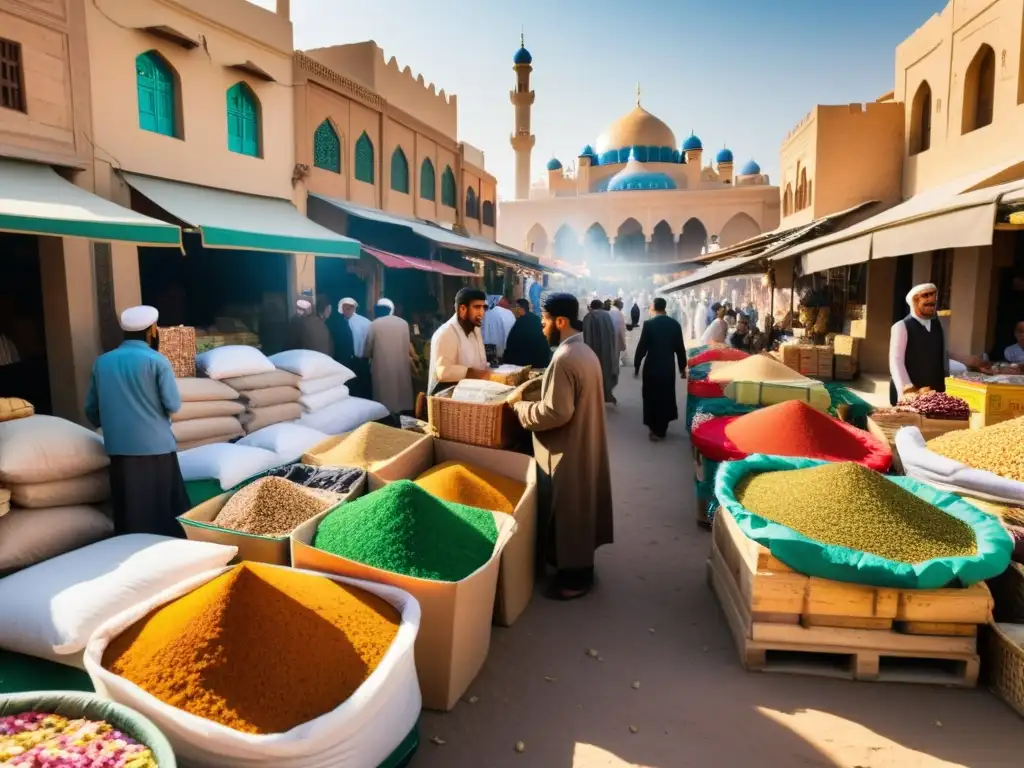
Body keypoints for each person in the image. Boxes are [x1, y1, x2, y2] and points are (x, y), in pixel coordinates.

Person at [508, 293, 613, 600]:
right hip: (584, 440)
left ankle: (575, 579)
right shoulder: (583, 351)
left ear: (560, 321)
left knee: (569, 510)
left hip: (569, 447)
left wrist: (521, 410)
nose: (542, 328)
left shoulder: (566, 357)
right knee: (578, 509)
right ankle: (576, 567)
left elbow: (557, 411)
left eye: (544, 321)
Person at [84, 306, 189, 537]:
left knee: (130, 512)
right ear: (152, 330)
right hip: (157, 449)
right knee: (163, 514)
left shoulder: (102, 362)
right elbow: (173, 404)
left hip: (119, 451)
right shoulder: (157, 361)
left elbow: (91, 410)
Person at [889, 282, 952, 405]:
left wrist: (969, 361)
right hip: (912, 394)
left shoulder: (938, 326)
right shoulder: (902, 326)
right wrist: (907, 391)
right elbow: (896, 362)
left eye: (933, 296)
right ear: (914, 300)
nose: (931, 300)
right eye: (926, 296)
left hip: (936, 394)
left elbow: (941, 353)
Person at [633, 298, 687, 442]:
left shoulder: (649, 324)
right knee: (665, 395)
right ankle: (662, 428)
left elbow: (642, 347)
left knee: (651, 395)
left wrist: (637, 364)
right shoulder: (675, 325)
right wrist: (682, 368)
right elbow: (680, 349)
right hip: (667, 366)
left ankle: (653, 427)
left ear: (653, 307)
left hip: (652, 365)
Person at [428, 287, 490, 395]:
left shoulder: (475, 329)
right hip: (447, 400)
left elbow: (481, 363)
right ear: (462, 309)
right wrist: (473, 373)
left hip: (473, 395)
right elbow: (443, 372)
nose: (481, 313)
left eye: (483, 307)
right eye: (477, 307)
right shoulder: (445, 333)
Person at [365, 298, 414, 414]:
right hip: (401, 364)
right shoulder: (403, 323)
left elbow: (368, 349)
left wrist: (367, 356)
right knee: (401, 391)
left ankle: (387, 416)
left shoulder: (374, 324)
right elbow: (407, 345)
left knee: (385, 394)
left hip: (382, 366)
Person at [583, 299, 619, 404]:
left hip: (594, 350)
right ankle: (607, 393)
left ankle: (596, 397)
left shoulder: (590, 317)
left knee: (595, 373)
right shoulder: (607, 316)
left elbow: (587, 336)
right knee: (607, 370)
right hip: (608, 349)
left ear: (591, 306)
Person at [503, 298, 552, 368]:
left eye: (513, 309)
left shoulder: (521, 323)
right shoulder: (536, 319)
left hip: (526, 364)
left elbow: (513, 344)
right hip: (540, 362)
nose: (511, 311)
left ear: (519, 309)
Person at [482, 294, 516, 360]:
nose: (508, 305)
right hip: (503, 349)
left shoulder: (485, 313)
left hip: (486, 348)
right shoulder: (509, 313)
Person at [609, 299, 627, 365]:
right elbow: (621, 327)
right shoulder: (618, 313)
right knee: (616, 350)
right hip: (616, 334)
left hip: (610, 333)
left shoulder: (610, 311)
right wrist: (623, 341)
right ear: (619, 305)